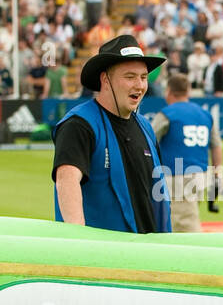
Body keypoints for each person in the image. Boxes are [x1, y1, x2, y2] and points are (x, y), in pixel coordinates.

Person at [52, 35, 171, 233]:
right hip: (103, 258)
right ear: (105, 79)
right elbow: (66, 180)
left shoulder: (146, 127)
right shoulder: (79, 124)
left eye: (143, 77)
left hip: (149, 256)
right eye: (130, 77)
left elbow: (157, 194)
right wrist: (78, 242)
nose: (140, 85)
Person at [151, 73, 221, 233]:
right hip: (201, 176)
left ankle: (196, 257)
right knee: (185, 218)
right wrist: (217, 173)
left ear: (168, 91)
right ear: (188, 91)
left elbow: (149, 139)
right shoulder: (205, 114)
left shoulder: (167, 114)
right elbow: (216, 146)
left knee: (182, 226)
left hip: (176, 176)